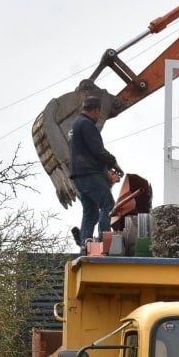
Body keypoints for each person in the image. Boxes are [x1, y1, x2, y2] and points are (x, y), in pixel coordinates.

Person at [68, 96, 123, 249]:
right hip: (89, 173)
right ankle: (104, 240)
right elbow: (97, 150)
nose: (99, 116)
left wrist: (106, 172)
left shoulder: (75, 125)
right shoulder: (86, 124)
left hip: (78, 176)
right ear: (96, 110)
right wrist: (113, 162)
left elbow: (87, 152)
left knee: (91, 211)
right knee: (107, 204)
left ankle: (86, 242)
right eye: (99, 113)